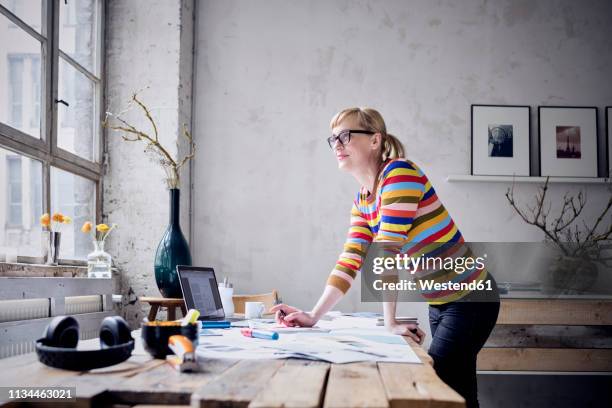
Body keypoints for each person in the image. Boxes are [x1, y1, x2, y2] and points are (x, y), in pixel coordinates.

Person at [270, 107, 500, 408]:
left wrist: (390, 322)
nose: (337, 145)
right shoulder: (363, 200)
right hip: (441, 303)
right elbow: (350, 260)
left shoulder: (399, 174)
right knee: (459, 394)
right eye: (333, 139)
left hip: (471, 300)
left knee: (439, 387)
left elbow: (387, 249)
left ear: (375, 140)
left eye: (346, 136)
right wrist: (313, 316)